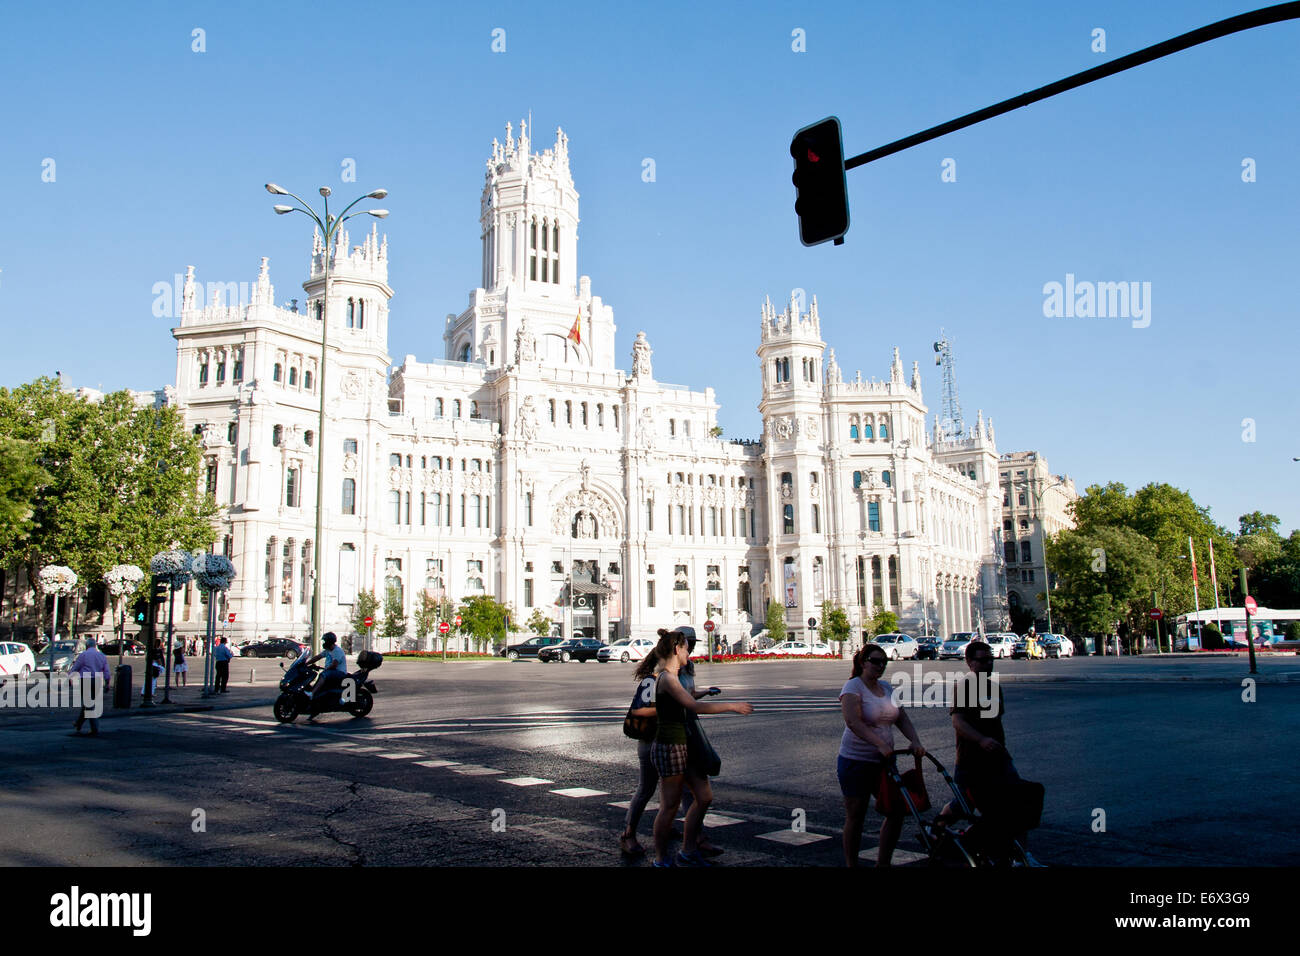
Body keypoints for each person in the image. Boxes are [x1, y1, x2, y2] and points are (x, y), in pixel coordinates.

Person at [650, 629, 753, 867]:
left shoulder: (676, 675)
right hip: (670, 746)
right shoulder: (666, 678)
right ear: (677, 649)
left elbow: (691, 700)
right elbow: (693, 706)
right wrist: (732, 706)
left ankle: (688, 848)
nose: (690, 652)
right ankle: (661, 859)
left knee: (704, 796)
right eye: (687, 648)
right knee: (669, 806)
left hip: (685, 743)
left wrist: (708, 693)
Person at [950, 640, 1041, 865]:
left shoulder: (993, 686)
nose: (988, 663)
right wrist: (981, 740)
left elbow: (996, 721)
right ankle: (941, 831)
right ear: (969, 662)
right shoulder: (964, 686)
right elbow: (958, 721)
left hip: (999, 757)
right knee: (964, 804)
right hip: (972, 760)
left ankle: (1021, 856)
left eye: (990, 659)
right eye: (982, 660)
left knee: (1020, 801)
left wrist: (996, 744)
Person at [838, 643, 926, 867]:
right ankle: (852, 864)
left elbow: (901, 717)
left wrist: (914, 740)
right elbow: (853, 722)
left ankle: (883, 863)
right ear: (863, 662)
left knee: (895, 810)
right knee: (856, 815)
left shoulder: (886, 688)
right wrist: (878, 743)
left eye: (883, 662)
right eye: (875, 661)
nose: (880, 666)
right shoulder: (852, 687)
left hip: (885, 760)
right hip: (855, 760)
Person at [69, 637, 111, 736]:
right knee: (89, 704)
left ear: (87, 646)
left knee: (89, 705)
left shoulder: (83, 655)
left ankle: (95, 728)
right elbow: (106, 671)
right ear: (95, 645)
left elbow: (75, 668)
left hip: (86, 679)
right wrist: (107, 683)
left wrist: (70, 678)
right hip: (97, 680)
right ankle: (78, 724)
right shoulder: (101, 656)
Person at [304, 632, 347, 716]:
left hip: (339, 673)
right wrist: (306, 663)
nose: (324, 643)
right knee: (322, 677)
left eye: (325, 641)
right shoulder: (328, 651)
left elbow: (334, 664)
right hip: (332, 672)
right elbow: (318, 657)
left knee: (323, 675)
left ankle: (312, 693)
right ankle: (315, 705)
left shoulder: (337, 651)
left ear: (329, 642)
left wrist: (325, 669)